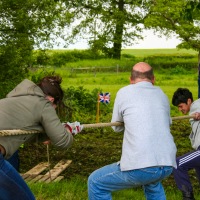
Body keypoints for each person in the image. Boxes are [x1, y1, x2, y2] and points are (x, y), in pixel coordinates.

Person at [88, 62, 177, 200]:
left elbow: (116, 127)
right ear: (153, 79)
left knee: (95, 182)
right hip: (167, 164)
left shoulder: (124, 92)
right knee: (152, 183)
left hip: (143, 166)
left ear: (131, 80)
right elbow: (166, 124)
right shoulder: (162, 94)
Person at [0, 75, 82, 200]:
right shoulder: (43, 104)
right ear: (51, 99)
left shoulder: (14, 100)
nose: (54, 109)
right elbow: (63, 142)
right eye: (56, 105)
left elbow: (23, 132)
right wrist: (69, 130)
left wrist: (49, 134)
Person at [172, 88, 200, 200]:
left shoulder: (197, 104)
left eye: (180, 106)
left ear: (189, 101)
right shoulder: (193, 111)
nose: (180, 109)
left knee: (178, 164)